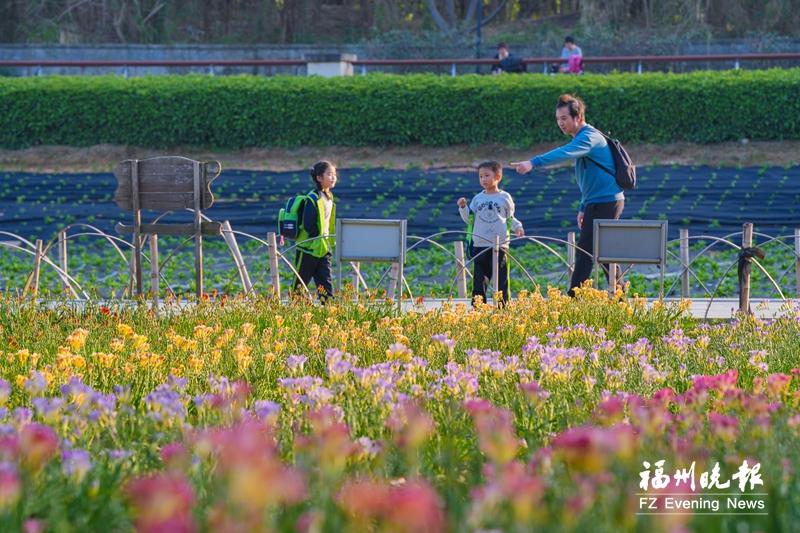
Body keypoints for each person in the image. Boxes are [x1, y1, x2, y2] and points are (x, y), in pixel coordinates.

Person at [511, 94, 623, 297]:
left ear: (578, 117)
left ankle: (574, 297)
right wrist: (583, 206)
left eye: (564, 118)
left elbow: (564, 152)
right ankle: (620, 293)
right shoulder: (582, 138)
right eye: (558, 119)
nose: (560, 123)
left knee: (586, 250)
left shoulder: (589, 137)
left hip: (607, 201)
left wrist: (533, 162)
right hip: (597, 201)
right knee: (601, 249)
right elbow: (589, 178)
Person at [457, 160, 524, 306]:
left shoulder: (504, 198)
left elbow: (510, 218)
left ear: (498, 176)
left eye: (487, 175)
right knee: (479, 278)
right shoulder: (477, 199)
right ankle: (478, 308)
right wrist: (463, 207)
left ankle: (503, 307)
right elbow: (470, 219)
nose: (483, 179)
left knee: (501, 278)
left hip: (500, 245)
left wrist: (518, 227)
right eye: (481, 176)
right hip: (480, 243)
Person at [293, 160, 337, 302]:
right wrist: (315, 237)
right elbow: (308, 224)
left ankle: (328, 316)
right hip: (308, 249)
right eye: (329, 174)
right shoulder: (313, 198)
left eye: (334, 174)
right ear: (319, 178)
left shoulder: (329, 198)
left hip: (323, 250)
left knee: (326, 287)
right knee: (299, 286)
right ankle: (293, 315)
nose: (333, 177)